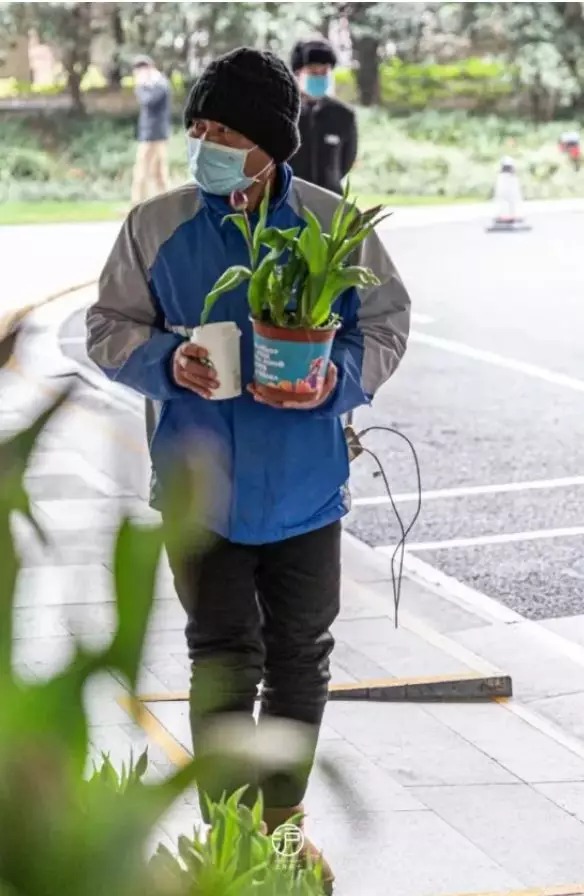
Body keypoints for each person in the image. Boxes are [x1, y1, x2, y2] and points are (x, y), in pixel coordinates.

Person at [86, 47, 410, 891]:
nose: (203, 140)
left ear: (270, 144)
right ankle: (229, 843)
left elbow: (385, 325)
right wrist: (166, 359)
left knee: (302, 655)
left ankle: (280, 824)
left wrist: (335, 380)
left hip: (305, 489)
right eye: (197, 125)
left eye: (222, 128)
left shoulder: (333, 225)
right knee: (224, 657)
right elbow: (106, 327)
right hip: (202, 491)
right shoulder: (153, 226)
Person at [289, 36, 357, 194]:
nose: (319, 77)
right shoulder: (284, 111)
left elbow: (346, 160)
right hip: (289, 199)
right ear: (298, 73)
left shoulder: (344, 115)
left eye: (324, 72)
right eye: (313, 72)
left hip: (330, 198)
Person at [131, 54, 171, 204]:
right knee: (157, 171)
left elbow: (147, 101)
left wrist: (140, 86)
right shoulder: (154, 84)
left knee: (144, 170)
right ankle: (165, 202)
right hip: (151, 133)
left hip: (154, 135)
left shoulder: (159, 84)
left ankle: (137, 203)